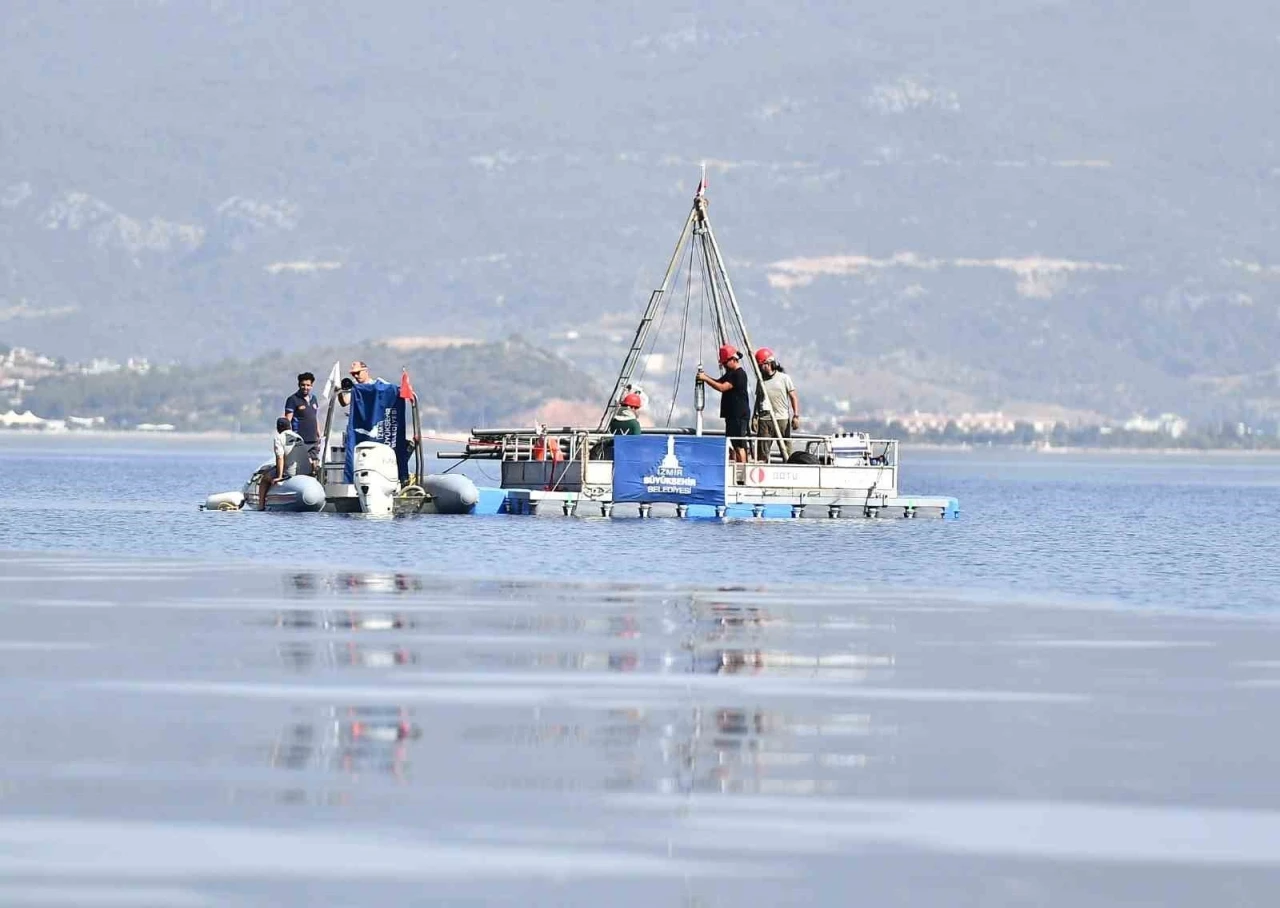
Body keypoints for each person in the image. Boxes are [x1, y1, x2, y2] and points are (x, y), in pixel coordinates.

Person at [696, 344, 751, 464]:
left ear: (733, 359)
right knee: (732, 444)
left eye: (726, 362)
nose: (725, 365)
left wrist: (705, 379)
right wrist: (705, 377)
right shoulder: (729, 374)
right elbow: (718, 382)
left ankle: (743, 470)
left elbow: (722, 387)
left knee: (739, 444)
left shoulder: (739, 374)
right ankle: (735, 467)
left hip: (739, 415)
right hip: (731, 415)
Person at [752, 348, 801, 461]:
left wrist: (796, 415)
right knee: (762, 452)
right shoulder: (761, 380)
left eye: (762, 365)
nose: (761, 368)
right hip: (765, 420)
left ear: (768, 363)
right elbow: (758, 398)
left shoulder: (784, 378)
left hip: (782, 418)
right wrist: (755, 416)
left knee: (786, 451)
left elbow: (793, 397)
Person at [258, 417, 313, 509]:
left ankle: (261, 506)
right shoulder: (298, 437)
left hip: (291, 472)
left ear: (278, 428)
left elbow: (280, 458)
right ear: (290, 426)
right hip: (306, 471)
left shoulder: (279, 438)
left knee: (264, 479)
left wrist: (279, 477)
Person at [283, 372, 320, 467]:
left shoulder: (314, 398)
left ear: (311, 386)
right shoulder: (292, 399)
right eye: (303, 385)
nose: (305, 387)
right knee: (302, 464)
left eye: (308, 385)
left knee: (315, 463)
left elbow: (315, 417)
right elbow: (287, 421)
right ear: (299, 385)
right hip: (299, 439)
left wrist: (318, 433)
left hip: (313, 439)